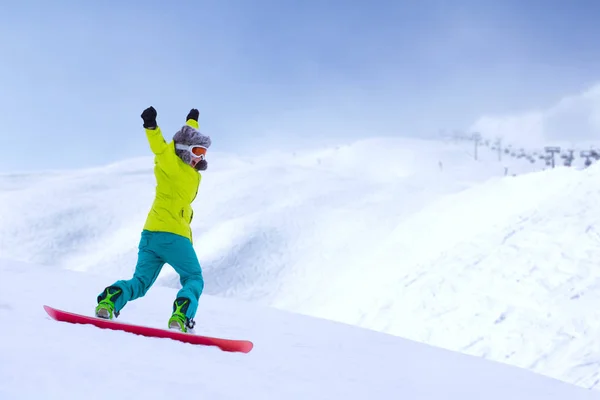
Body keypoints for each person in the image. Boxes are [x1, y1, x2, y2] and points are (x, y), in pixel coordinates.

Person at [94, 106, 211, 333]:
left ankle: (109, 301)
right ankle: (181, 316)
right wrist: (151, 126)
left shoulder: (176, 163)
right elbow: (162, 147)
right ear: (185, 150)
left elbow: (183, 137)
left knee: (139, 283)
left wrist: (191, 121)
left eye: (204, 153)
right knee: (193, 277)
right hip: (174, 237)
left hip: (150, 236)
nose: (200, 158)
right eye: (197, 151)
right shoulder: (174, 164)